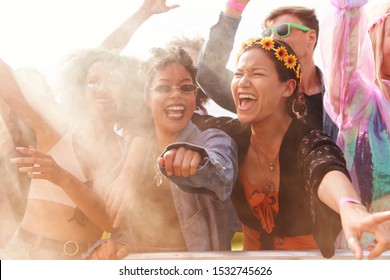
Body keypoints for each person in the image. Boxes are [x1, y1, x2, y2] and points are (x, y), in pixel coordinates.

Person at [195, 36, 390, 259]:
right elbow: (170, 118)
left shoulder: (307, 140)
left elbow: (325, 167)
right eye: (239, 74)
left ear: (287, 88)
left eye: (257, 74)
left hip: (308, 268)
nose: (243, 82)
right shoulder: (229, 134)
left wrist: (349, 206)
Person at [88, 45, 238, 259]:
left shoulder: (214, 140)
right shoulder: (134, 156)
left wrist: (198, 160)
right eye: (163, 88)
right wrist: (115, 244)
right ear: (148, 100)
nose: (176, 94)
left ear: (194, 97)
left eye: (186, 88)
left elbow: (222, 174)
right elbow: (129, 227)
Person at [0, 49, 145, 259]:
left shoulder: (129, 153)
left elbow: (110, 222)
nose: (102, 89)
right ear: (80, 89)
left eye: (113, 81)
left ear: (128, 91)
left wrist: (62, 177)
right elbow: (10, 86)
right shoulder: (56, 128)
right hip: (26, 254)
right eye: (93, 82)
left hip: (81, 260)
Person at [196, 0, 338, 141]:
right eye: (267, 33)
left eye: (283, 30)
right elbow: (208, 75)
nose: (273, 38)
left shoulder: (340, 94)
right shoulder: (258, 91)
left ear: (311, 37)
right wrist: (233, 9)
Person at [320, 0, 390, 247]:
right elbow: (344, 66)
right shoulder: (361, 100)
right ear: (376, 36)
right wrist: (349, 11)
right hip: (371, 246)